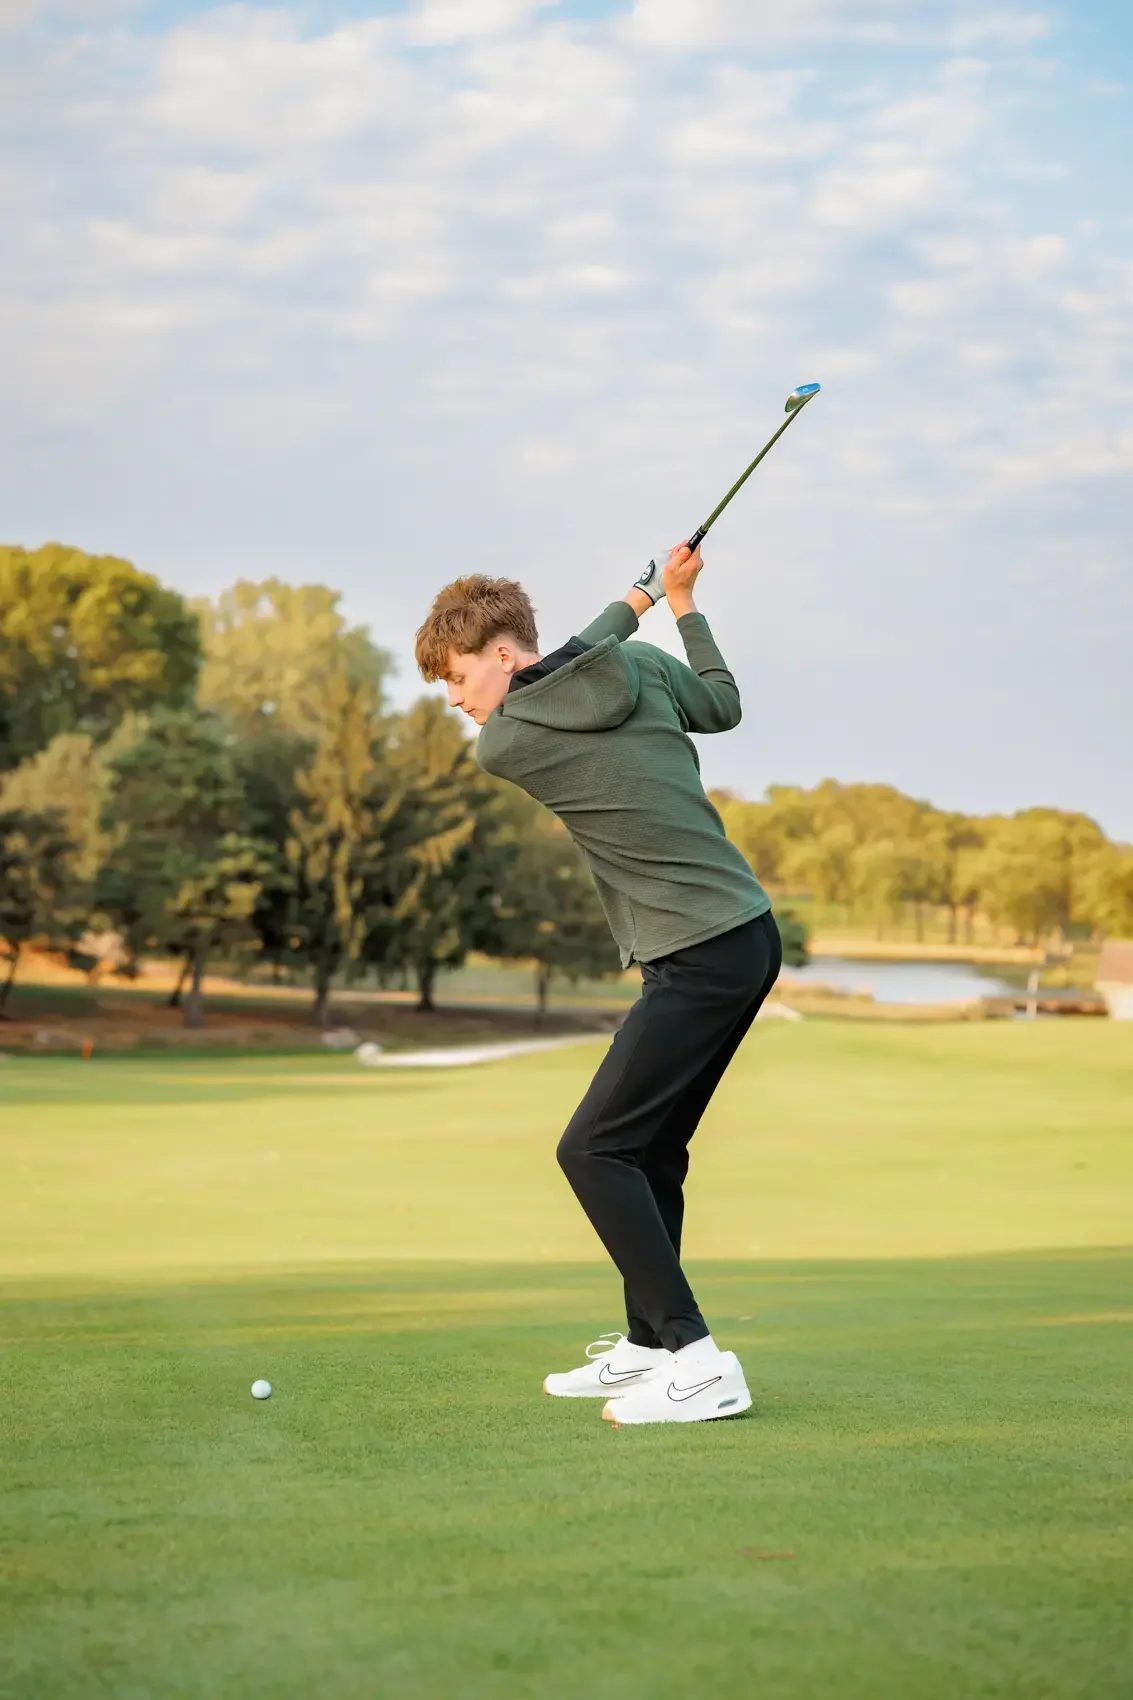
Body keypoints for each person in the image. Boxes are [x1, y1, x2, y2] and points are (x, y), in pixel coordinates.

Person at [413, 544, 781, 1426]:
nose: (456, 701)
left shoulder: (506, 741)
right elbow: (721, 704)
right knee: (649, 1150)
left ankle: (697, 1358)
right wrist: (674, 606)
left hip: (701, 950)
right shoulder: (641, 665)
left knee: (592, 1150)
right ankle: (646, 1346)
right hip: (736, 936)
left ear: (504, 655)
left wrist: (640, 595)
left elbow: (579, 668)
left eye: (459, 677)